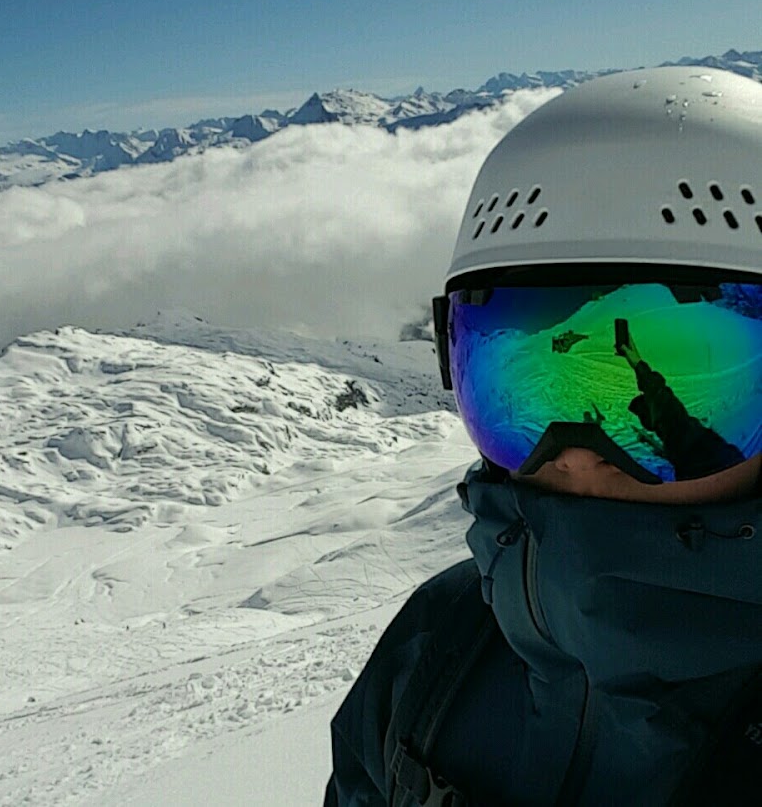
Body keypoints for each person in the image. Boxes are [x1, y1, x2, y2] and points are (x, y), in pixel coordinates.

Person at [324, 67, 762, 806]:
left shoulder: (442, 655)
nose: (580, 457)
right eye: (521, 398)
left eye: (699, 377)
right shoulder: (434, 649)